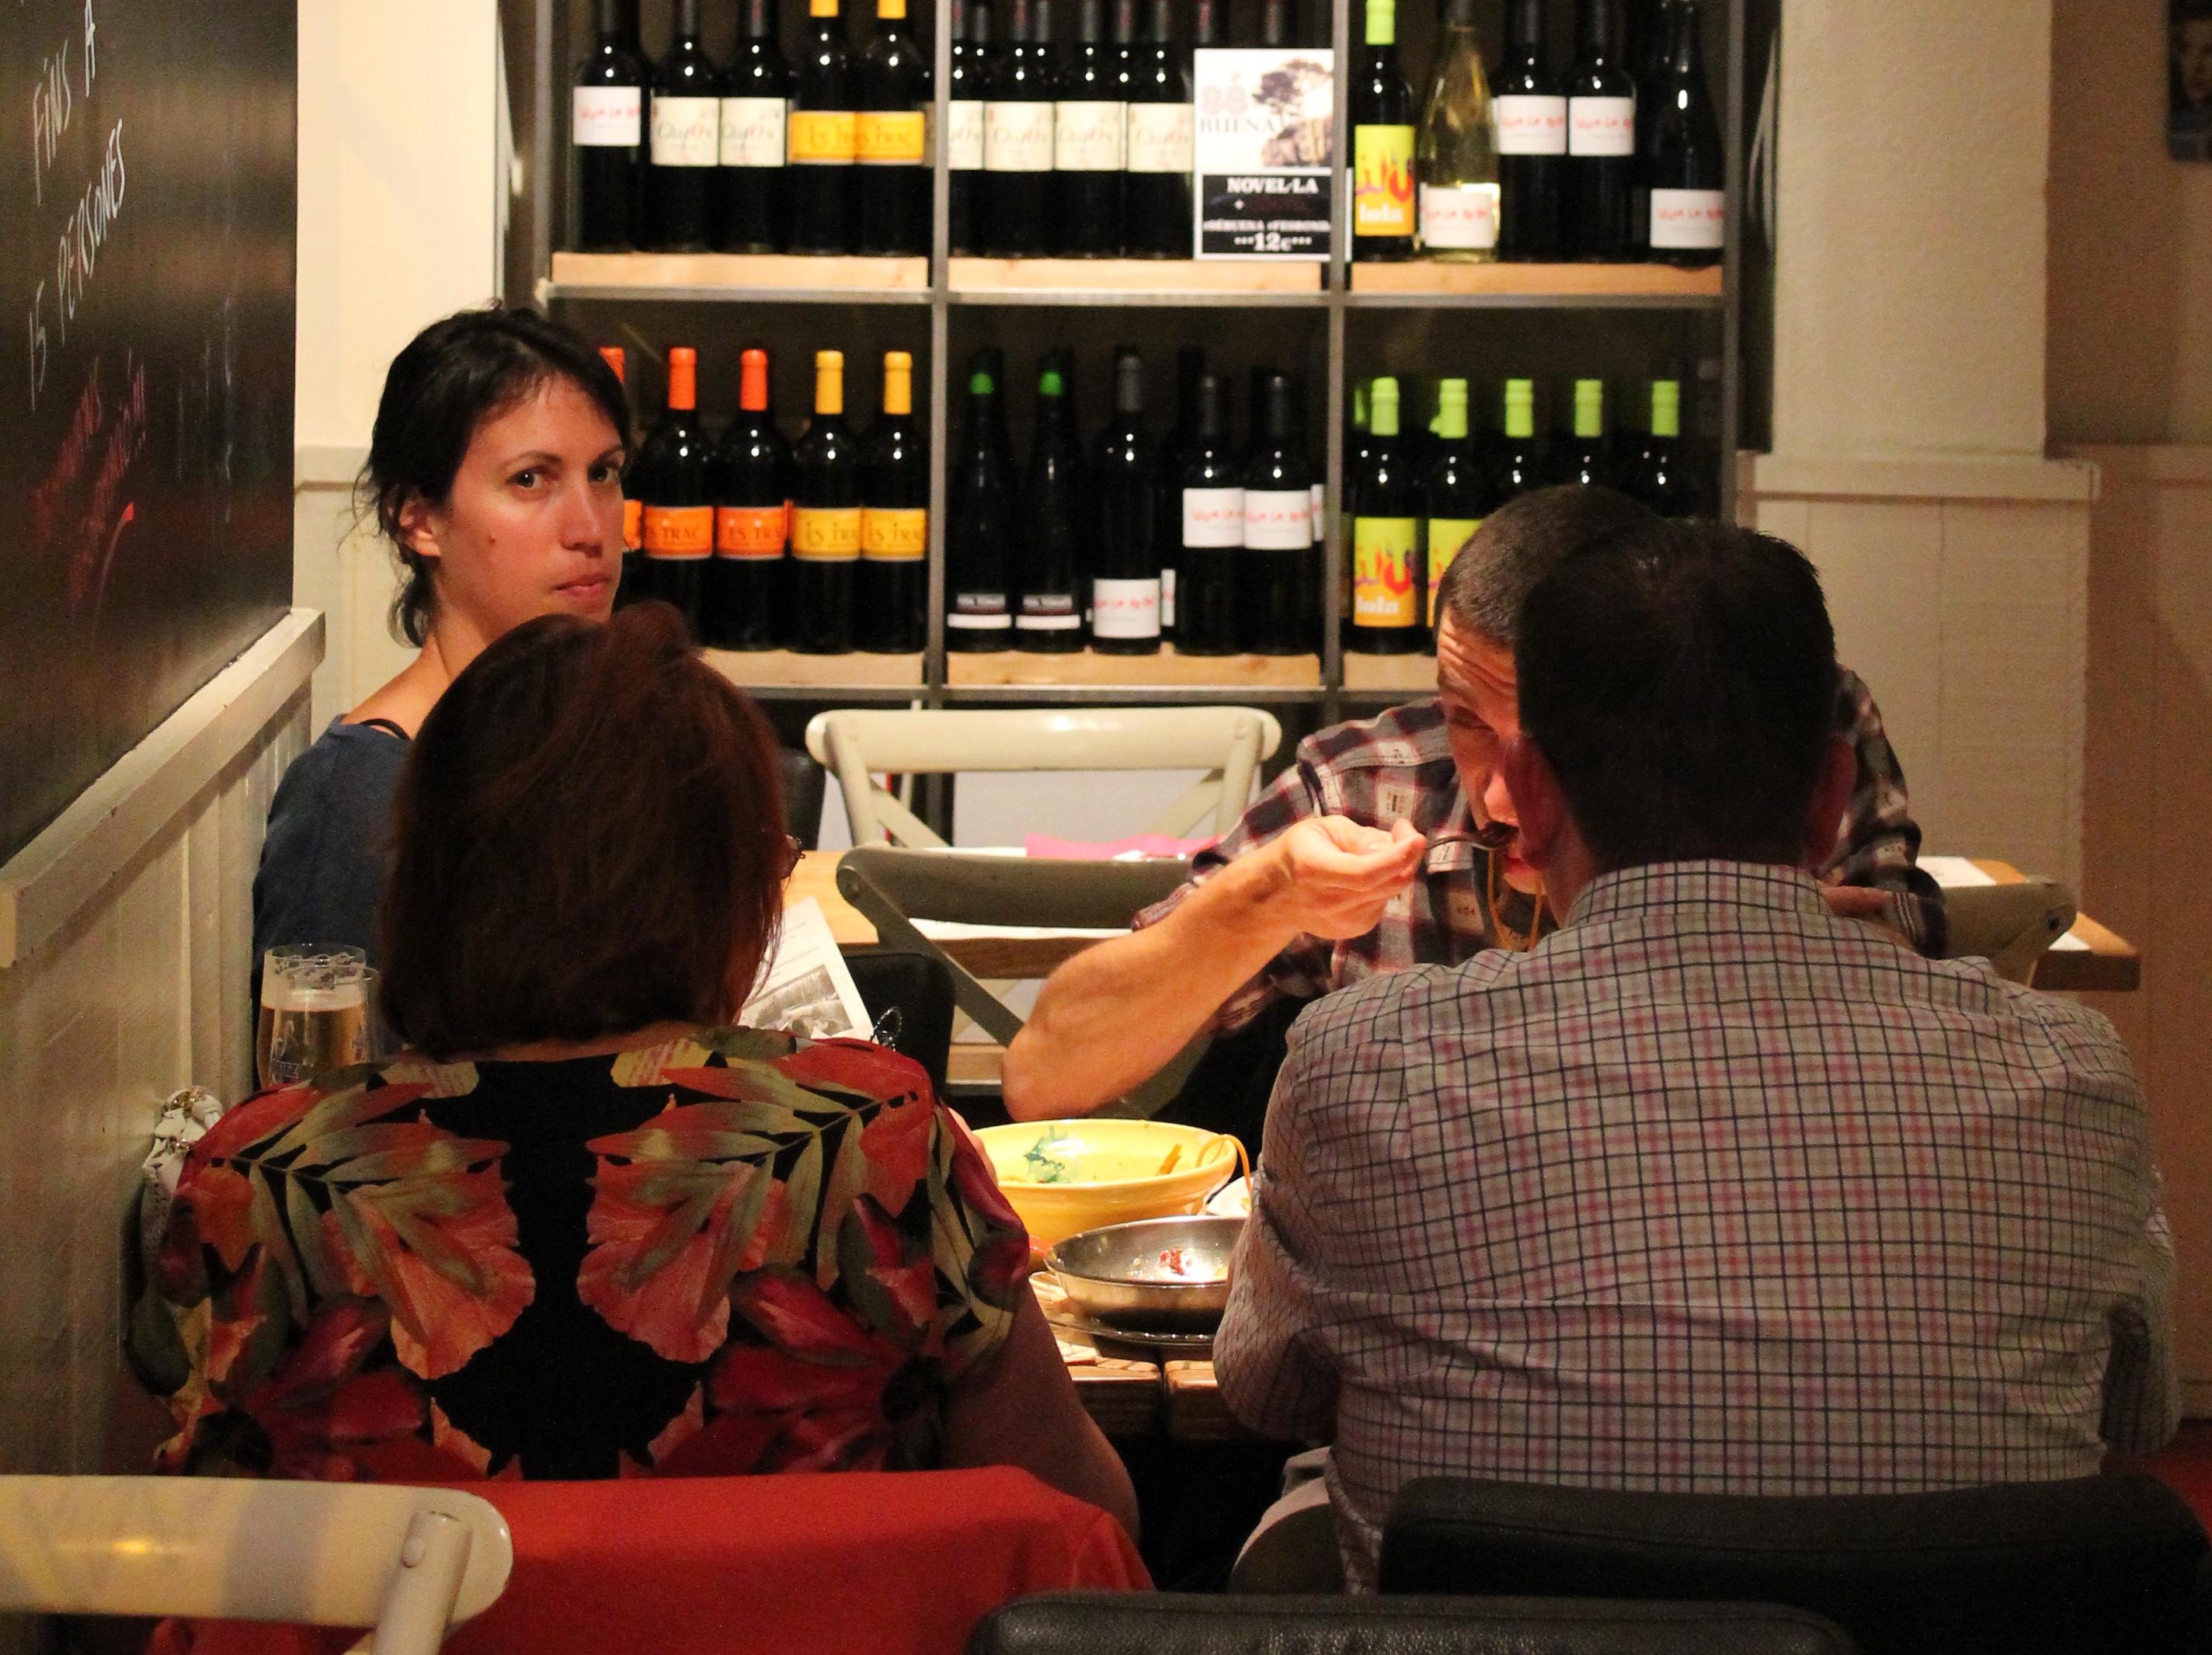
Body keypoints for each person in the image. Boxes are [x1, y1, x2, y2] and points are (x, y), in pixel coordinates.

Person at [1212, 516, 2177, 1585]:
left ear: (1530, 793)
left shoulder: (1357, 1065)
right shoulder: (2076, 1073)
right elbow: (2139, 1411)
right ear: (1829, 798)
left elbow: (1265, 1392)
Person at [136, 606, 1136, 1528]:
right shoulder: (877, 1142)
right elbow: (1079, 1525)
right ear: (716, 892)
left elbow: (140, 1582)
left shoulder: (257, 1182)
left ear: (427, 880)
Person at [1003, 484, 1939, 1125]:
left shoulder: (1761, 741)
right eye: (1467, 719)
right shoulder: (1367, 782)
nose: (1500, 796)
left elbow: (1919, 976)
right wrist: (1266, 896)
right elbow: (1043, 1075)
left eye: (1543, 737)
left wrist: (1761, 923)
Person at [252, 307, 629, 971]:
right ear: (420, 521)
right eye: (530, 480)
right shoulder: (363, 794)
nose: (590, 528)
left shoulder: (586, 738)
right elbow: (324, 1038)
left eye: (603, 473)